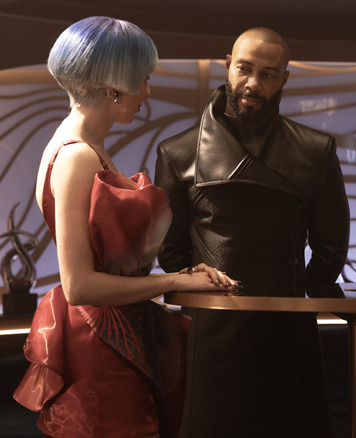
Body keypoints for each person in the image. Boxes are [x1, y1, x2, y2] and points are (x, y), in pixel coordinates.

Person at [12, 16, 239, 438]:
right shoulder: (77, 154)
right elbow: (80, 285)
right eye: (143, 79)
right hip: (100, 342)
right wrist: (173, 280)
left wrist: (182, 277)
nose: (147, 91)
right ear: (113, 87)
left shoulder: (83, 147)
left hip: (109, 335)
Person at [154, 27, 350, 437]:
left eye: (268, 74)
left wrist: (298, 290)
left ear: (284, 80)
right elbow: (171, 254)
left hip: (287, 326)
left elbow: (331, 247)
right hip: (211, 327)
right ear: (228, 66)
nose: (253, 84)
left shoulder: (316, 149)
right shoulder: (176, 152)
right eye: (244, 69)